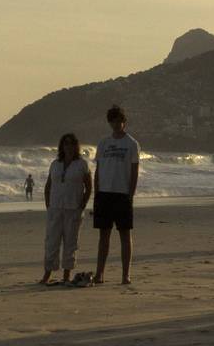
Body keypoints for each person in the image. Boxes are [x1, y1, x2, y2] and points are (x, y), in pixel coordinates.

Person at [92, 105, 140, 285]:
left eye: (119, 120)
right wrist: (96, 193)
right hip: (104, 193)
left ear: (124, 122)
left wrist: (131, 195)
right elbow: (98, 170)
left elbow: (134, 171)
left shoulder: (131, 144)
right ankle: (100, 273)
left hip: (122, 193)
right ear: (109, 122)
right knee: (103, 236)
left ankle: (125, 274)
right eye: (113, 121)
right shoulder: (103, 143)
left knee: (125, 235)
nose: (116, 124)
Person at [41, 133, 92, 285]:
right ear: (62, 146)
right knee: (52, 242)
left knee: (70, 242)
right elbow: (48, 185)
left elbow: (89, 187)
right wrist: (48, 204)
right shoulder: (55, 164)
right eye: (66, 143)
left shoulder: (82, 164)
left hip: (73, 208)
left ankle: (66, 275)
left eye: (71, 143)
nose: (68, 146)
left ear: (76, 146)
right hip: (55, 208)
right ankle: (47, 274)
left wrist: (82, 205)